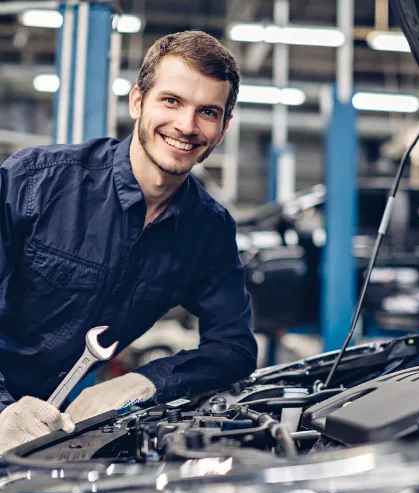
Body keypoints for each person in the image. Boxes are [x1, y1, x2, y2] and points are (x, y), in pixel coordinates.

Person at [0, 30, 257, 453]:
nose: (186, 126)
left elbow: (234, 348)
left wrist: (143, 381)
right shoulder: (35, 181)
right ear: (138, 101)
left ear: (223, 127)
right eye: (171, 101)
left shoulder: (208, 231)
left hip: (51, 425)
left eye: (207, 111)